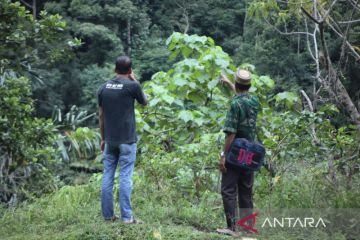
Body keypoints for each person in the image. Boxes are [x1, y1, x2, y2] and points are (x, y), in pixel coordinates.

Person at [98, 56, 147, 223]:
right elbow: (145, 102)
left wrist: (103, 138)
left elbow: (101, 115)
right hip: (127, 140)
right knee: (125, 177)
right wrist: (134, 79)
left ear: (114, 69)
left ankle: (108, 216)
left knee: (107, 176)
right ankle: (127, 217)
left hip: (110, 140)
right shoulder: (133, 86)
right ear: (130, 70)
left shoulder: (103, 88)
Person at [216, 69, 260, 236]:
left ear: (237, 84)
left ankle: (232, 227)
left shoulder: (235, 104)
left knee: (228, 190)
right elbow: (242, 99)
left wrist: (223, 156)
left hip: (236, 152)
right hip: (250, 152)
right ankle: (247, 227)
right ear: (249, 85)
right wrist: (229, 83)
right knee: (245, 190)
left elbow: (231, 133)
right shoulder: (254, 101)